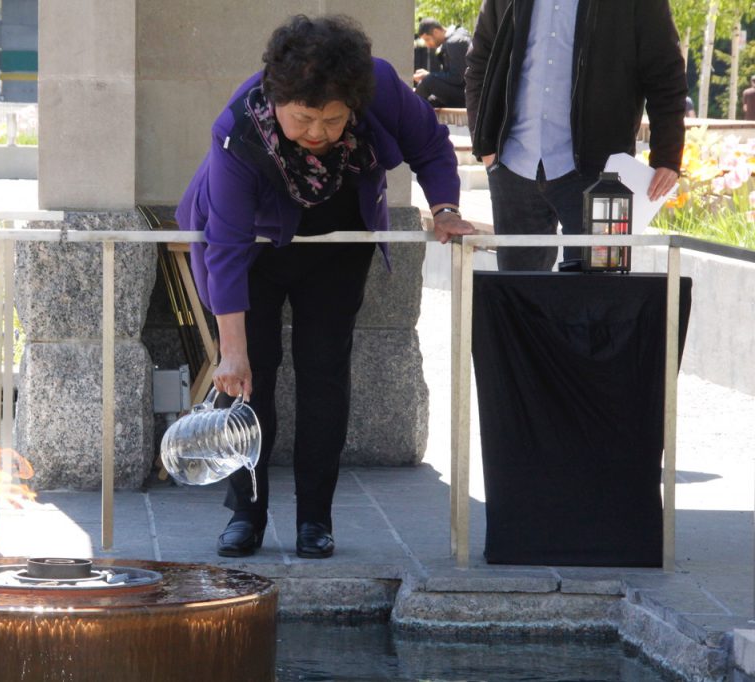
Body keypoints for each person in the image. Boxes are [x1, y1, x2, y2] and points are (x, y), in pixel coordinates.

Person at [176, 14, 473, 560]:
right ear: (276, 97)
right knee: (248, 378)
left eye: (334, 121)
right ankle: (247, 513)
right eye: (304, 119)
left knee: (324, 371)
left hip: (338, 235)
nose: (317, 134)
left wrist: (446, 208)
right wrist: (232, 351)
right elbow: (226, 247)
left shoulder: (380, 85)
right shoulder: (239, 126)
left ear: (354, 105)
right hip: (251, 250)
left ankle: (316, 518)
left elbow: (430, 145)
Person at [465, 0, 686, 271]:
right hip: (514, 166)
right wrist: (485, 143)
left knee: (597, 291)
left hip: (599, 172)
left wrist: (667, 156)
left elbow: (665, 70)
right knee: (518, 296)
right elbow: (479, 61)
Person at [412, 18, 471, 108]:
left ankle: (408, 109)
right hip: (463, 92)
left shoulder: (454, 42)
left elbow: (458, 77)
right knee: (430, 101)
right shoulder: (457, 36)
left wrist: (429, 76)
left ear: (436, 32)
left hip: (467, 96)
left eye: (427, 39)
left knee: (428, 81)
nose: (427, 45)